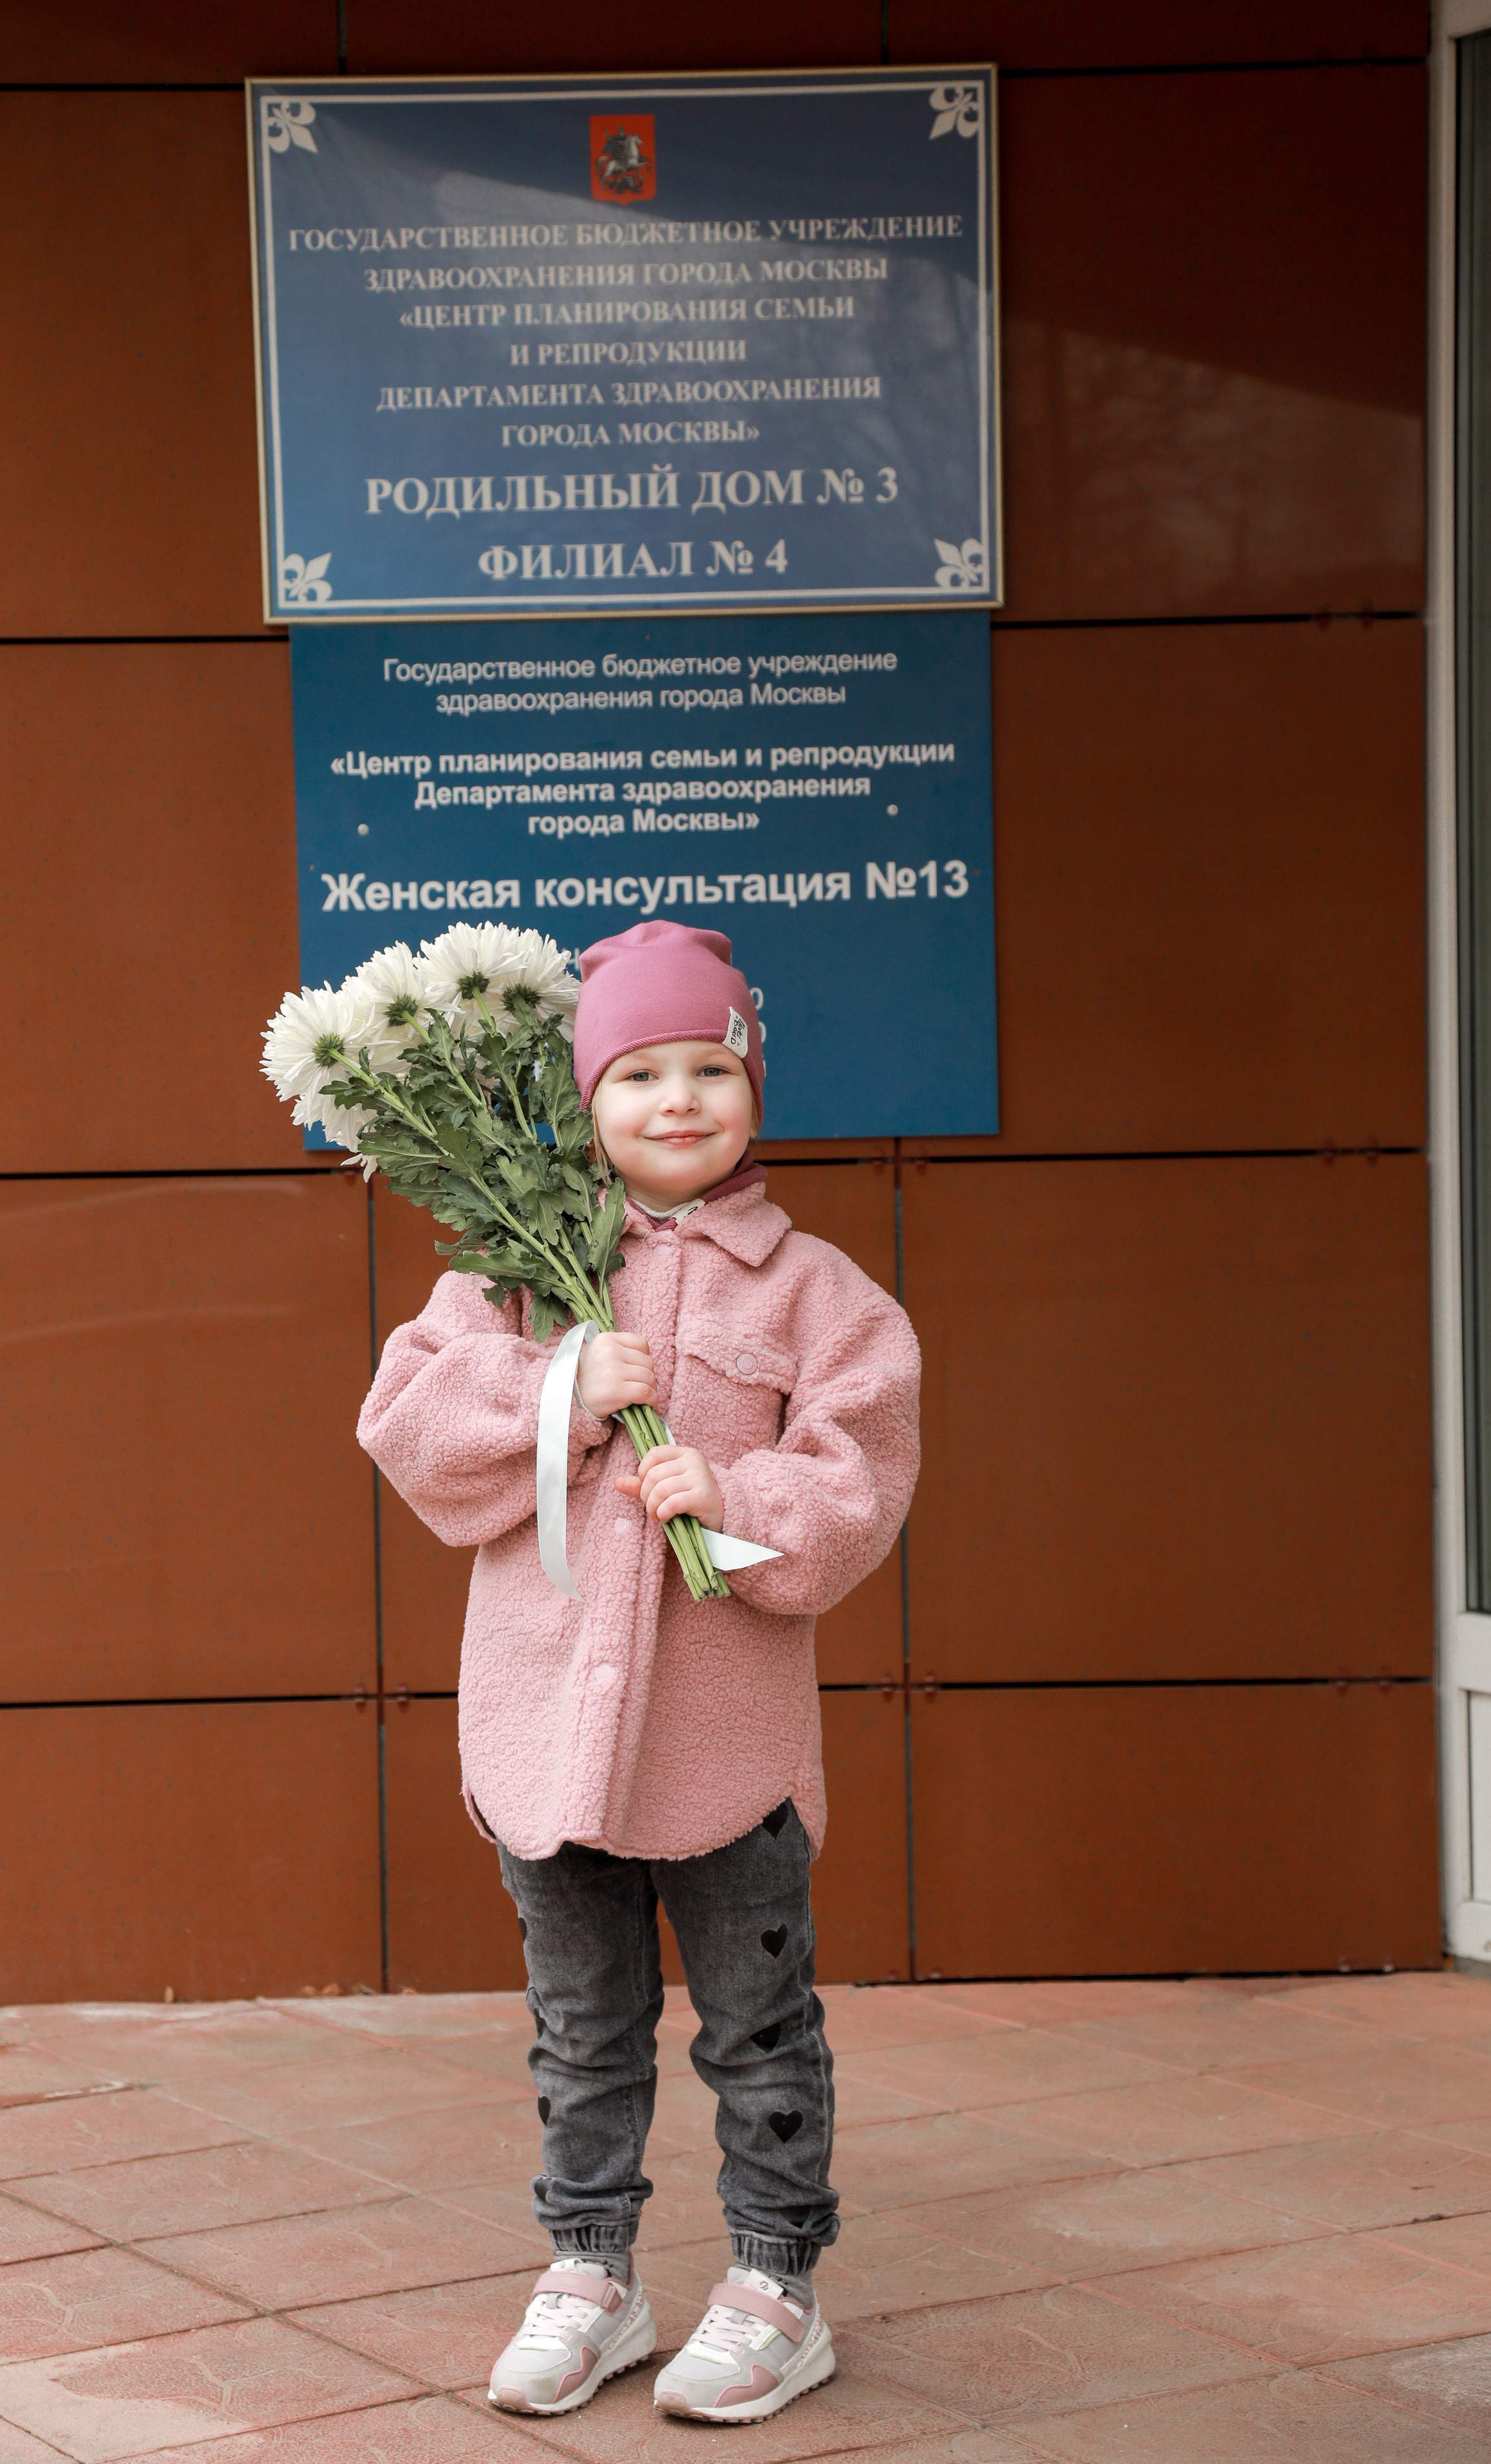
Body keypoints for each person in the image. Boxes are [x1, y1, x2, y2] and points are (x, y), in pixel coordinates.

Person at [358, 918, 921, 2424]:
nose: (677, 1100)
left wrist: (736, 1497)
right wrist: (556, 1387)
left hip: (724, 1749)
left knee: (757, 2027)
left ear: (753, 1086)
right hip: (544, 1732)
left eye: (709, 1069)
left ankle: (775, 2282)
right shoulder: (517, 1269)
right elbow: (405, 1424)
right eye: (638, 1073)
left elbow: (861, 1477)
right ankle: (589, 2270)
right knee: (580, 2030)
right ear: (585, 1097)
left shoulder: (818, 1294)